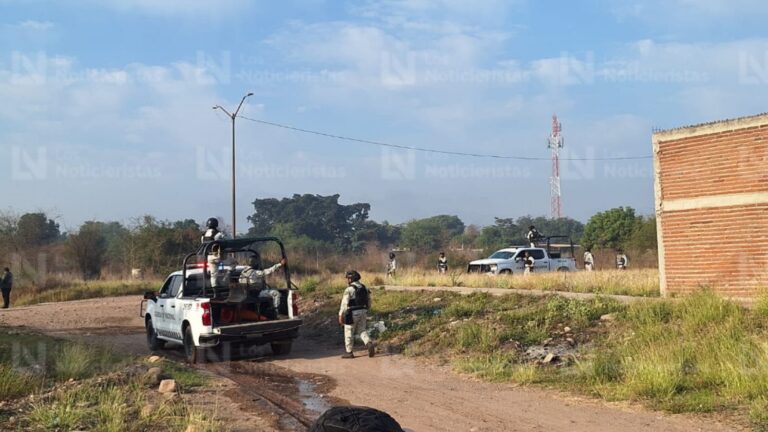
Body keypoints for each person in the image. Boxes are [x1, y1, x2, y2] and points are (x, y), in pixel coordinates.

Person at [338, 270, 375, 359]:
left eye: (348, 278)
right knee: (362, 330)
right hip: (363, 311)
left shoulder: (349, 289)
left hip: (352, 313)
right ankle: (368, 342)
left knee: (348, 331)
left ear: (351, 279)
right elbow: (369, 301)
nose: (347, 280)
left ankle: (349, 352)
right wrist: (367, 309)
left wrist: (340, 315)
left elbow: (344, 304)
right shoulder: (364, 288)